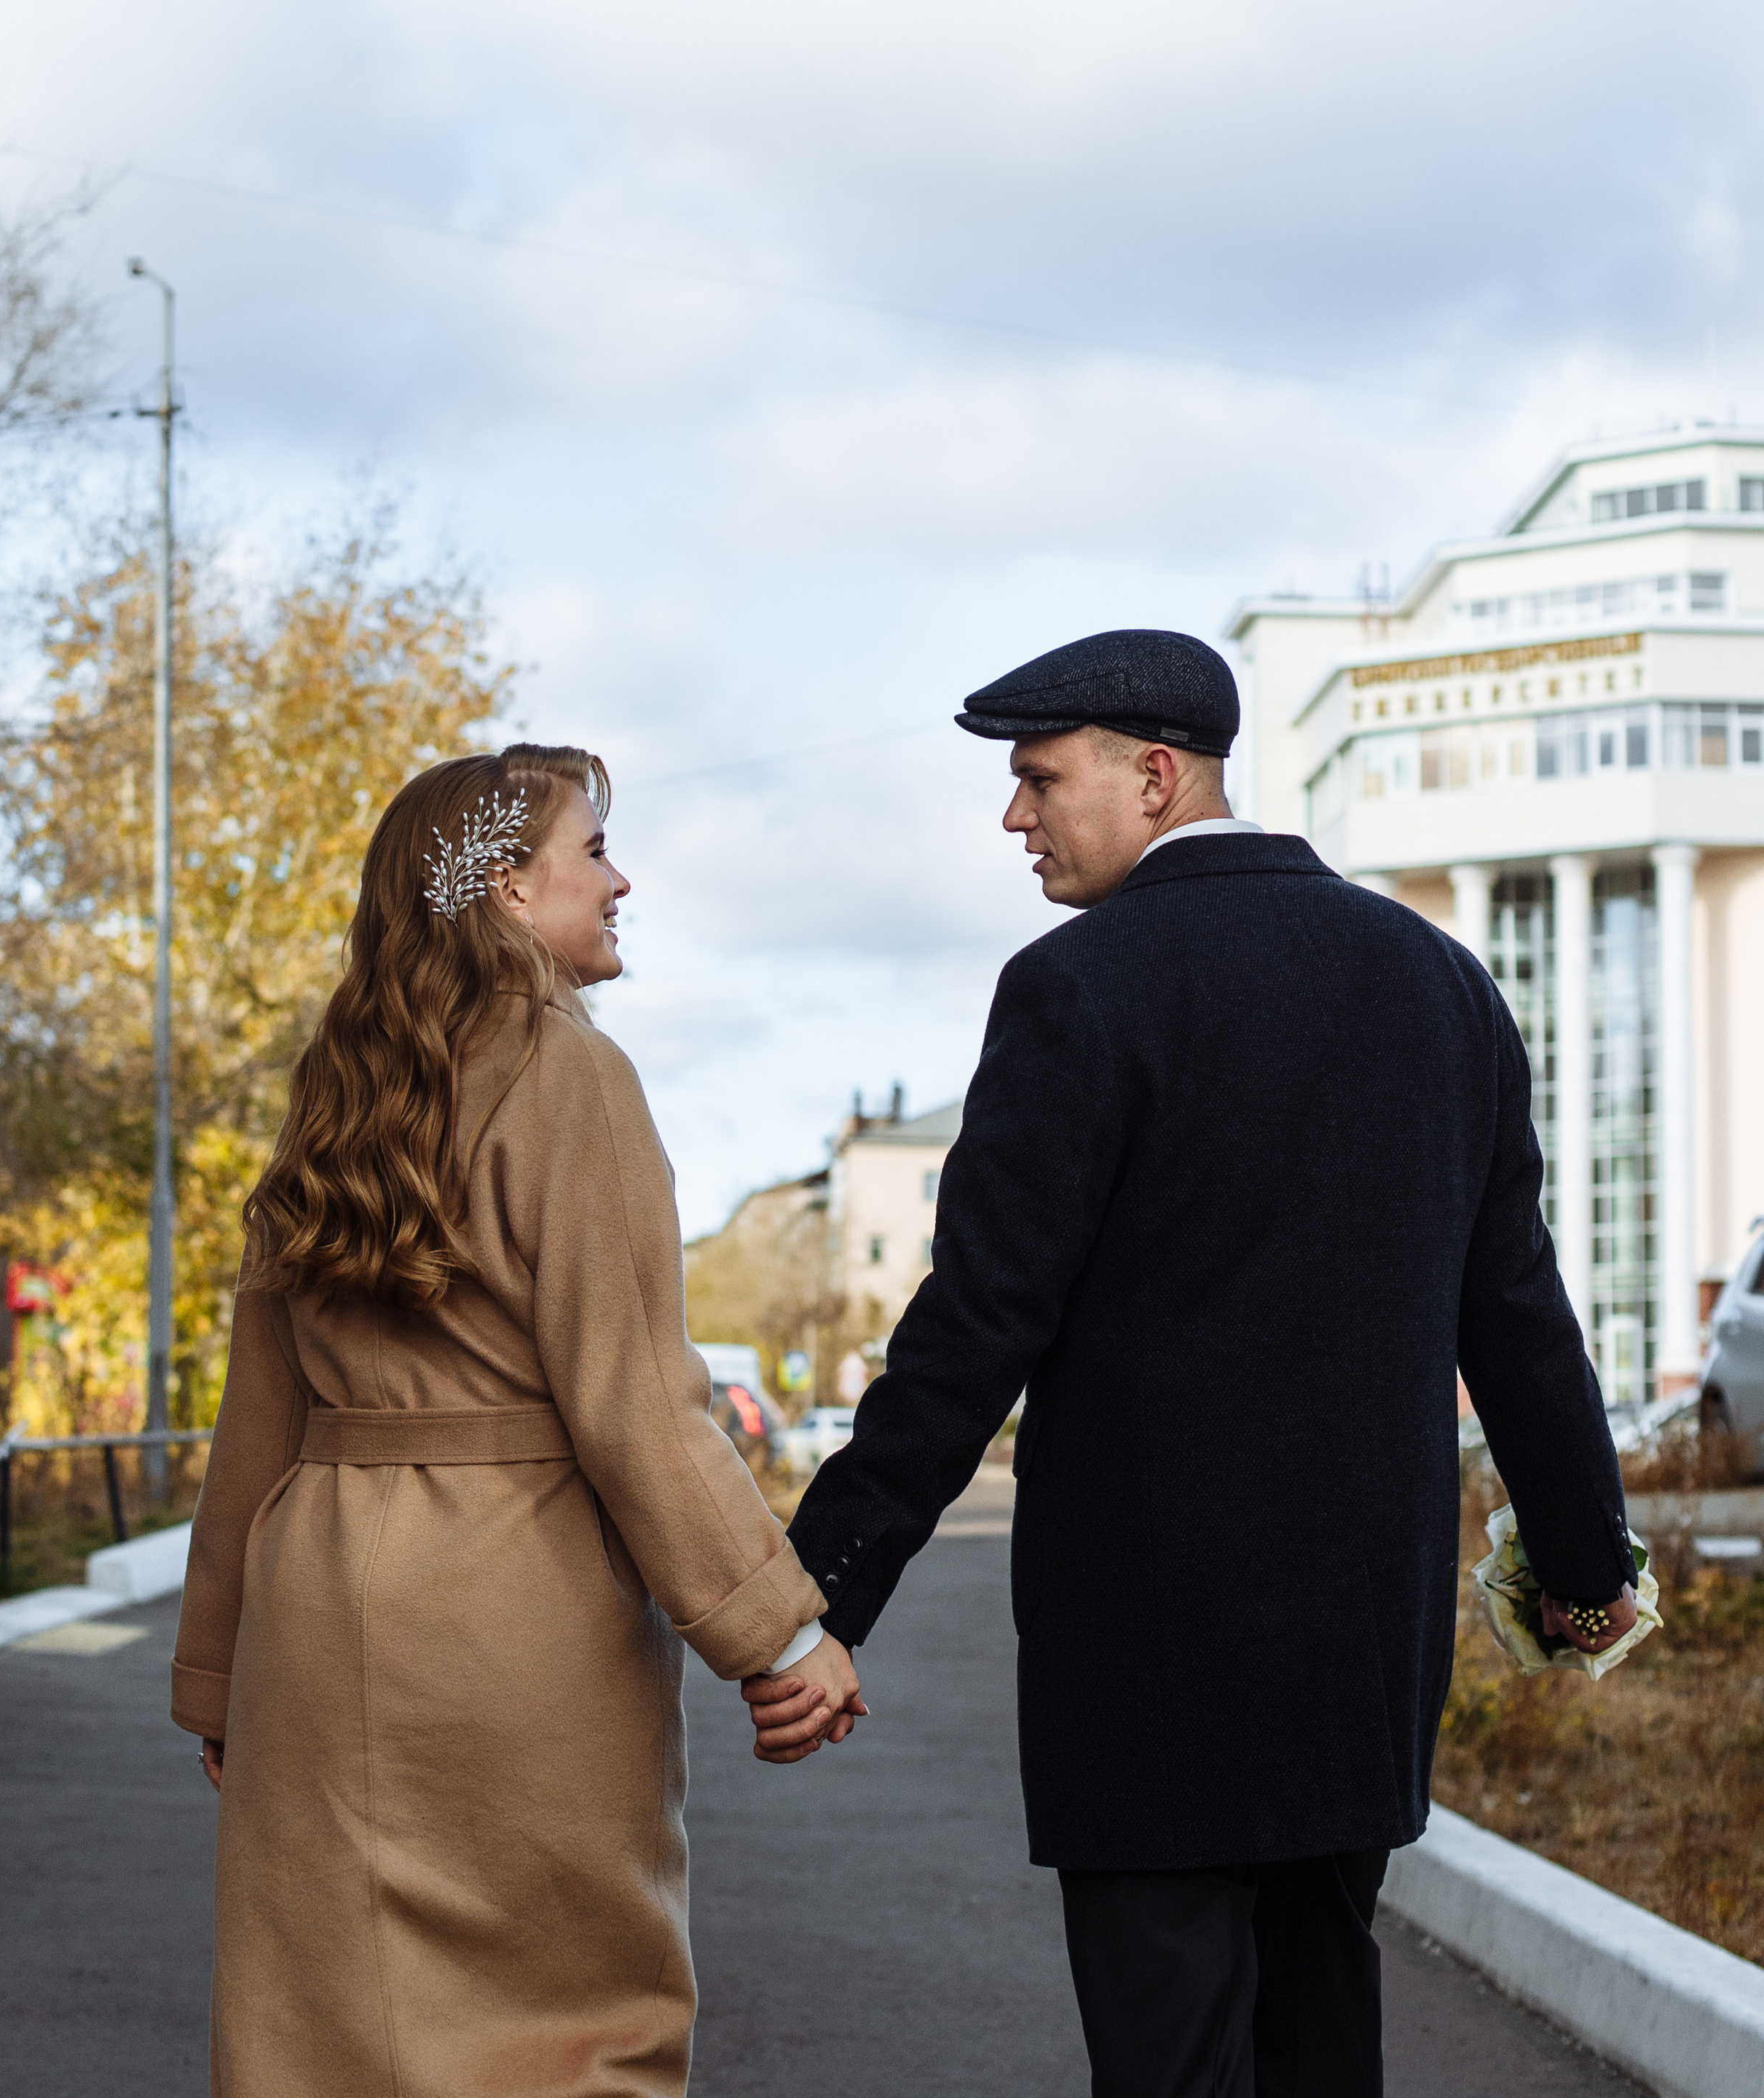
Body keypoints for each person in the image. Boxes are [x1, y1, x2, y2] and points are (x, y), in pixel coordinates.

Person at [748, 630, 1636, 2098]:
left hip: (1146, 1657)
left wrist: (815, 1598)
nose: (1012, 818)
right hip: (1362, 1639)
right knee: (1319, 2040)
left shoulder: (1077, 989)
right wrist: (1584, 1559)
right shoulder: (1439, 987)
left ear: (1153, 775)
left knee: (1167, 2061)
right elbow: (1517, 1314)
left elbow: (974, 1327)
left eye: (1038, 779)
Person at [171, 742, 851, 2098]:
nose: (622, 879)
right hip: (510, 1601)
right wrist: (777, 1630)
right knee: (568, 2019)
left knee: (324, 2027)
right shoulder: (569, 1074)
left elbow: (261, 1416)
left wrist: (216, 1671)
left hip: (312, 1616)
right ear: (501, 890)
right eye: (593, 852)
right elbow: (635, 1399)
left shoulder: (337, 1093)